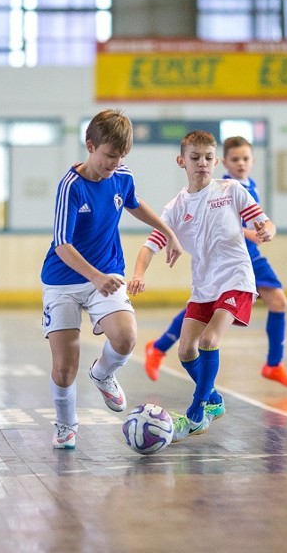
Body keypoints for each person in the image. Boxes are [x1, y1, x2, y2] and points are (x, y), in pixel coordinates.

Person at [41, 109, 182, 450]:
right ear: (90, 146)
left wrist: (167, 231)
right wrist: (94, 276)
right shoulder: (70, 187)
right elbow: (62, 244)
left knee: (125, 338)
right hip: (64, 280)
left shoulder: (121, 174)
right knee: (64, 367)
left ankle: (103, 373)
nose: (113, 165)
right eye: (108, 157)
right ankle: (65, 425)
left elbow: (132, 202)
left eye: (120, 158)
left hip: (106, 272)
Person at [128, 130, 275, 442]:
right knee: (185, 351)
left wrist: (267, 229)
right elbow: (150, 244)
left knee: (209, 340)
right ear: (182, 161)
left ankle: (196, 413)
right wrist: (139, 273)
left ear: (216, 160)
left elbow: (264, 221)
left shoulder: (231, 190)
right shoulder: (176, 208)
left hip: (236, 278)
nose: (202, 163)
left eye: (209, 158)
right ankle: (215, 401)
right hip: (204, 285)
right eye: (195, 158)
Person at [143, 136, 287, 389]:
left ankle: (273, 365)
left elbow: (259, 221)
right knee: (205, 308)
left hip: (247, 259)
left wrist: (267, 229)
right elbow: (230, 227)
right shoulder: (223, 188)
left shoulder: (249, 186)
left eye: (245, 159)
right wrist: (252, 233)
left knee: (277, 302)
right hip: (228, 258)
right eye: (235, 159)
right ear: (223, 162)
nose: (241, 163)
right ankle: (160, 348)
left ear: (253, 160)